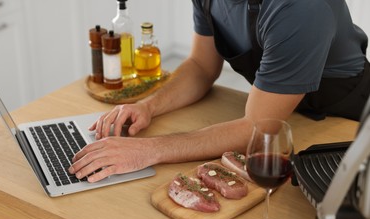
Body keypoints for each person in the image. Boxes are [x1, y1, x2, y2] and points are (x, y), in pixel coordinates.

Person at [69, 0, 370, 183]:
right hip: (286, 113)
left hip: (347, 122)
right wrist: (148, 106)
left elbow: (255, 129)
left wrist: (149, 150)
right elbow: (201, 65)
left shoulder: (300, 8)